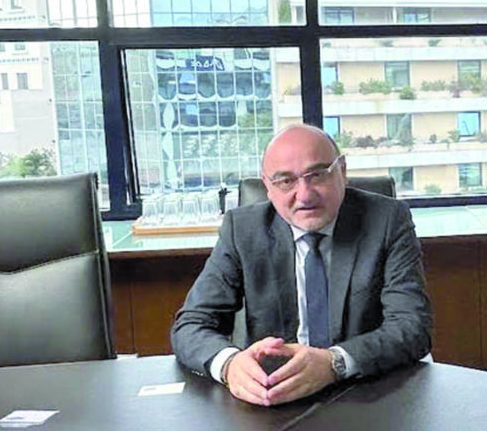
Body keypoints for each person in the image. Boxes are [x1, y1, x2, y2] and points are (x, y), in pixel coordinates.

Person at [172, 124, 433, 406]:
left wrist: (333, 363)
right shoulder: (242, 230)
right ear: (268, 187)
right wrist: (229, 364)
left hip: (366, 392)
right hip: (274, 395)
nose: (305, 195)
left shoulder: (387, 220)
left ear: (342, 171)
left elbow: (412, 327)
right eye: (286, 181)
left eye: (317, 175)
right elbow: (191, 324)